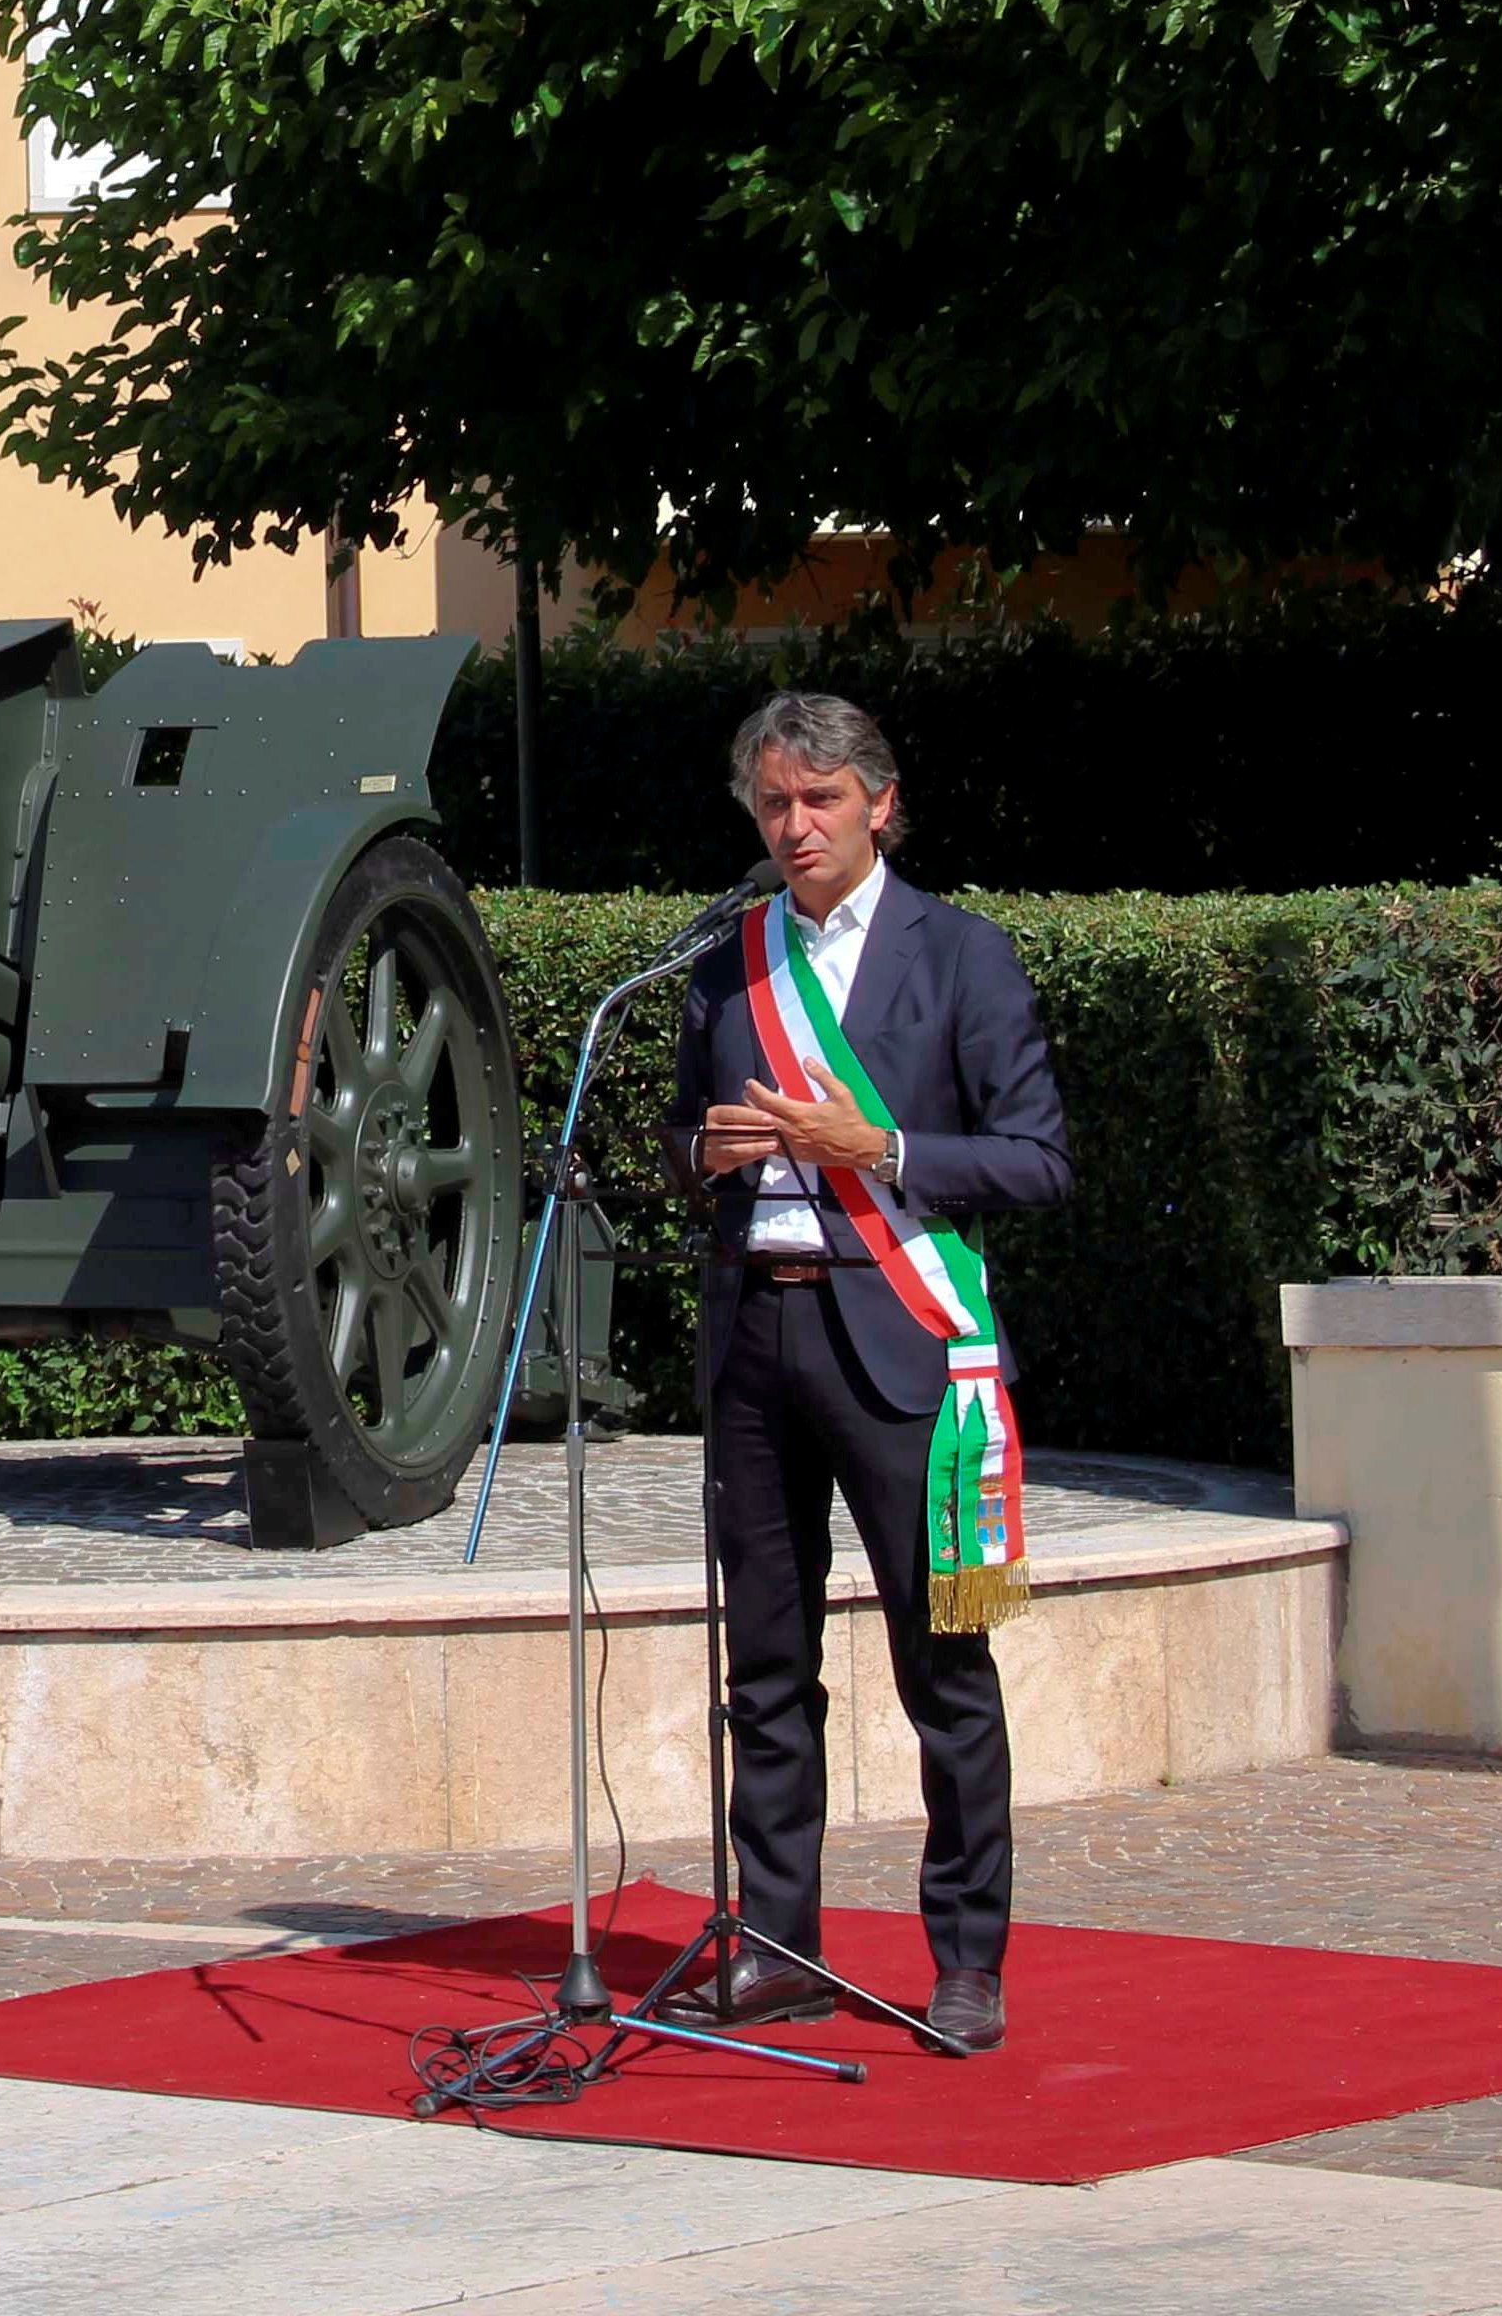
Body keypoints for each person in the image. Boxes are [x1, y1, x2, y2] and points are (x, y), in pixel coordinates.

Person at [662, 691, 1067, 2057]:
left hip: (901, 1340)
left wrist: (878, 1149)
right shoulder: (728, 959)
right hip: (756, 1339)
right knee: (765, 1667)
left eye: (820, 801)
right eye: (774, 803)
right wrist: (704, 1154)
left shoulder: (959, 956)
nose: (795, 827)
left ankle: (968, 1961)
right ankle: (779, 1948)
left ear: (879, 805)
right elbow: (675, 1135)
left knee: (942, 1665)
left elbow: (1038, 1160)